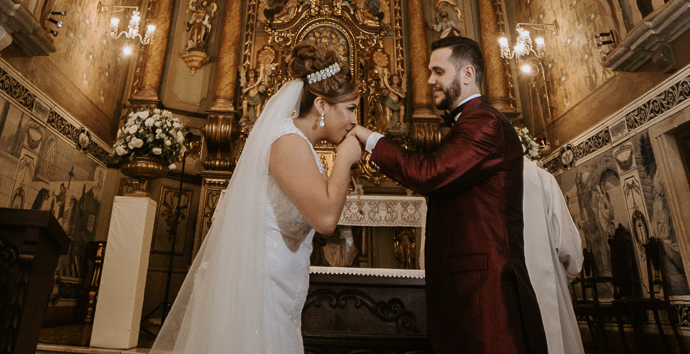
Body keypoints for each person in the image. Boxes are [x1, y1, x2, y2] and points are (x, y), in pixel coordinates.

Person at [153, 45, 362, 354]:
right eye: (351, 109)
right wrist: (344, 159)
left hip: (283, 281)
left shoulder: (299, 142)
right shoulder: (288, 141)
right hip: (262, 284)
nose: (354, 121)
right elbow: (326, 220)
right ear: (321, 105)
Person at [351, 36, 548, 354]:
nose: (430, 80)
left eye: (438, 71)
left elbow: (430, 174)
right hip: (467, 288)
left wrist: (369, 137)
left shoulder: (485, 123)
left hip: (485, 294)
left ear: (468, 74)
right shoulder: (466, 124)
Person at [523, 158, 584, 354]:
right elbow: (570, 251)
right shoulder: (542, 179)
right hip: (548, 294)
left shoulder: (471, 179)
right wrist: (558, 278)